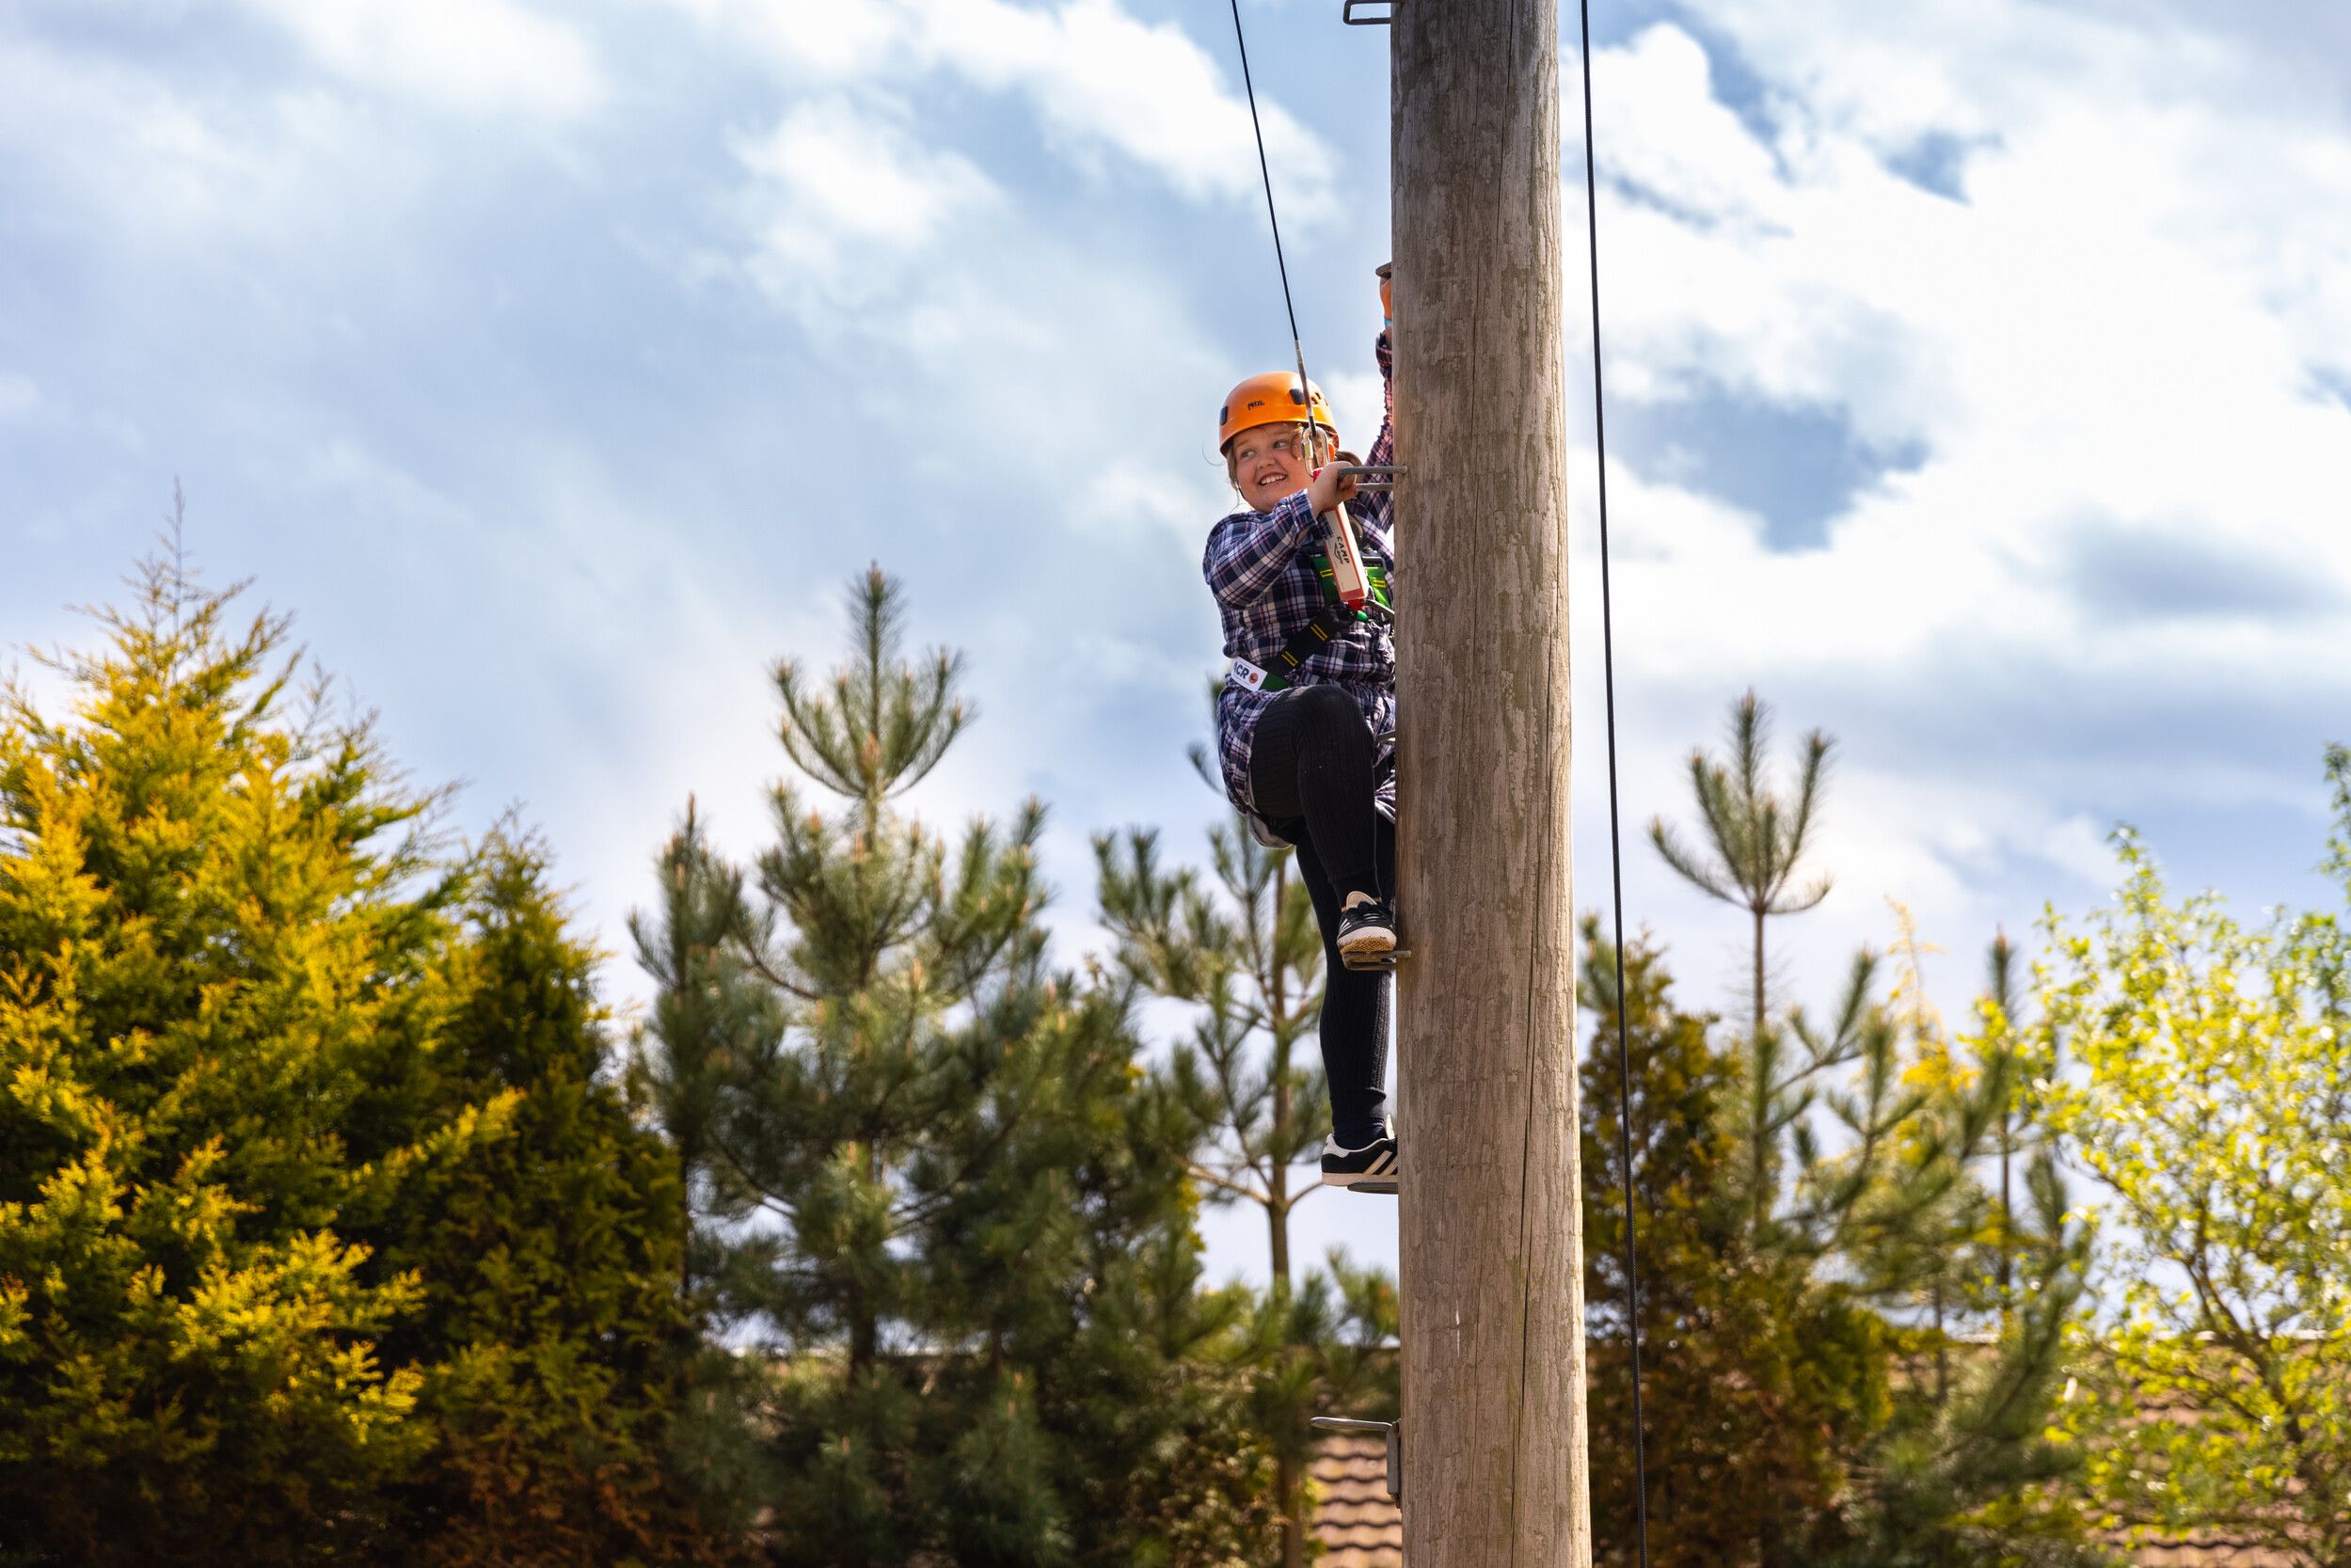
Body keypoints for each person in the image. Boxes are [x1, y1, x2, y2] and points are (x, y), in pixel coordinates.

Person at [1203, 272, 1400, 1190]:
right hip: (1278, 744)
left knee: (1360, 952)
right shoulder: (1238, 538)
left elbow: (1408, 432)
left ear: (1326, 446)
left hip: (1361, 771)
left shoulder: (1373, 526)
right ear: (1237, 476)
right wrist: (1312, 501)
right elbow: (1241, 577)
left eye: (1292, 445)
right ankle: (1364, 893)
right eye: (1254, 455)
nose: (1271, 461)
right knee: (1326, 708)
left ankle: (1357, 1137)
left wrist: (1399, 335)